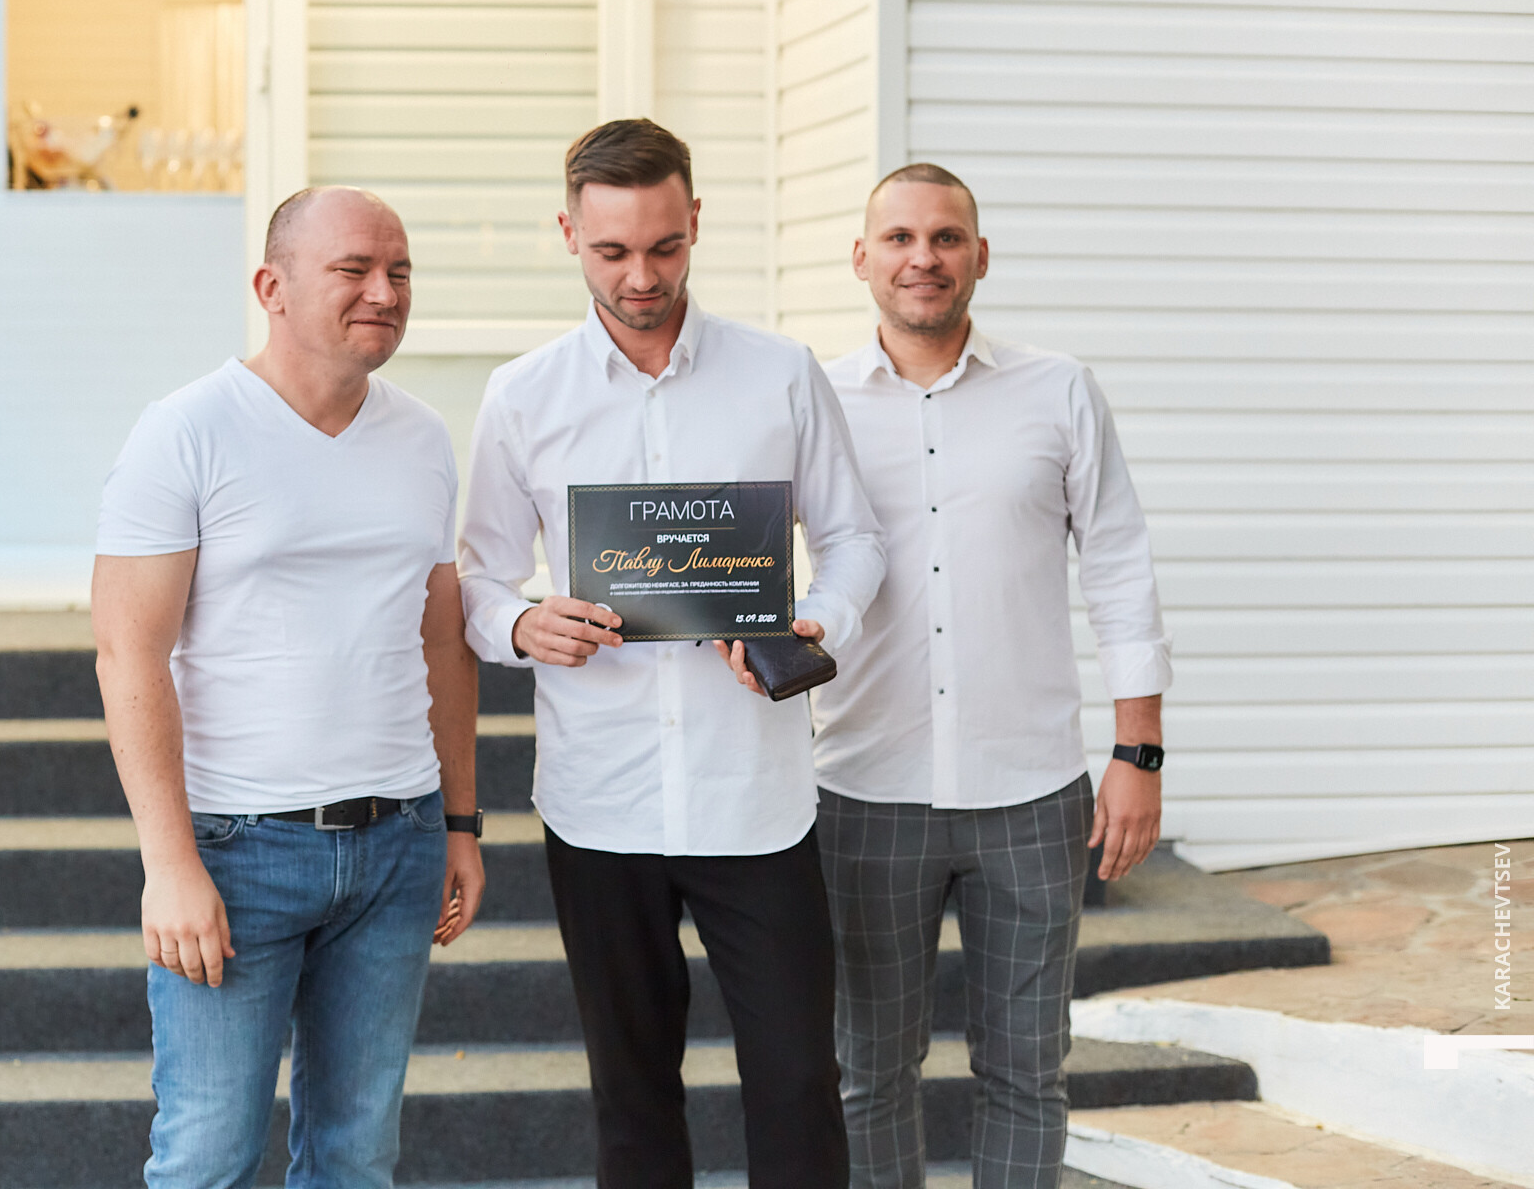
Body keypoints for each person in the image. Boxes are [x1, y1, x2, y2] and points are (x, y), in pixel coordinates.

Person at [457, 119, 885, 1189]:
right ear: (569, 233)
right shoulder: (522, 395)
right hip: (601, 798)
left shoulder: (780, 374)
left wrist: (817, 621)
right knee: (632, 1093)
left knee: (799, 1082)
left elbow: (856, 540)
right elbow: (476, 578)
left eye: (665, 246)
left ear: (695, 221)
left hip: (756, 795)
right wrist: (520, 624)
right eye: (612, 251)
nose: (641, 277)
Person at [91, 186, 487, 1188]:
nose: (384, 292)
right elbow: (128, 653)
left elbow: (442, 638)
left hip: (398, 843)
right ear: (271, 286)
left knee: (358, 1156)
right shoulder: (185, 429)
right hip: (237, 848)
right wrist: (169, 862)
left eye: (399, 272)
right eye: (354, 269)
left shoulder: (422, 436)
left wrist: (460, 822)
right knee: (208, 1156)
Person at [813, 163, 1172, 1188]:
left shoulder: (1058, 389)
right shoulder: (814, 401)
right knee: (868, 1073)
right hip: (865, 789)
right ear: (862, 257)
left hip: (1030, 791)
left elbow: (1118, 565)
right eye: (899, 238)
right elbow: (748, 558)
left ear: (980, 256)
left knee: (1026, 1072)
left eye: (945, 237)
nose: (922, 257)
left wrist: (1138, 751)